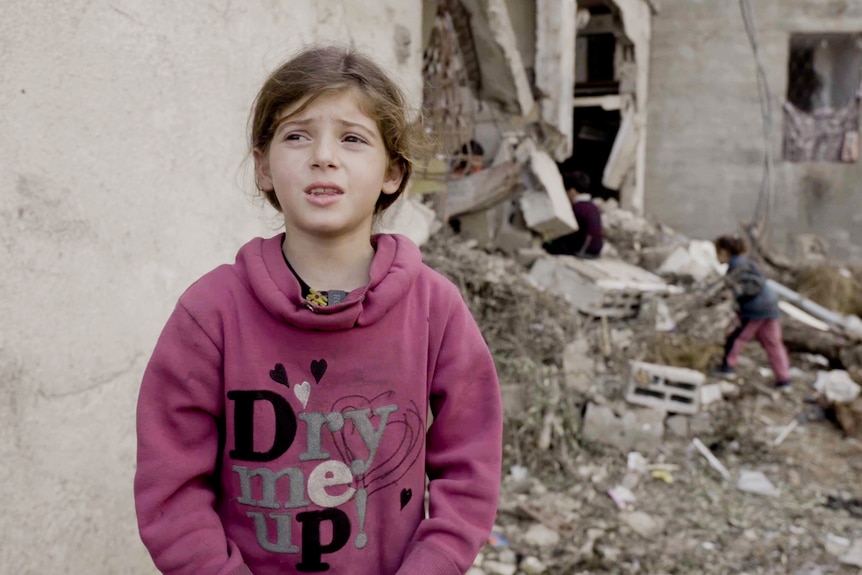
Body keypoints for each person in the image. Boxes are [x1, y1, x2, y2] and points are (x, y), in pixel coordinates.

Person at [134, 45, 503, 575]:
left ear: (393, 172)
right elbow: (171, 490)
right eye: (297, 135)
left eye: (352, 138)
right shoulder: (210, 313)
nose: (323, 155)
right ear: (263, 168)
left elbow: (470, 468)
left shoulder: (434, 308)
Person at [711, 234, 791, 388]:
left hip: (755, 309)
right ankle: (784, 379)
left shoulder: (737, 264)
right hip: (770, 306)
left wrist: (734, 292)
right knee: (773, 343)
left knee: (736, 338)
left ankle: (727, 368)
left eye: (717, 253)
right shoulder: (745, 262)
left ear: (724, 251)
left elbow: (753, 284)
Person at [543, 171, 603, 258]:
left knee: (548, 233)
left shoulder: (577, 208)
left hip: (580, 251)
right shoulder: (593, 207)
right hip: (594, 251)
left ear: (572, 191)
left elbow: (565, 232)